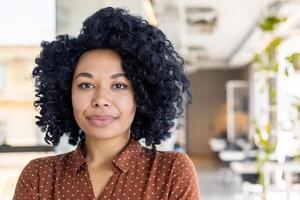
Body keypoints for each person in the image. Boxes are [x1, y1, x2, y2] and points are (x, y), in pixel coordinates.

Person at [13, 7, 200, 200]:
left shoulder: (172, 172)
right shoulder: (38, 176)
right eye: (86, 85)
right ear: (67, 94)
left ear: (142, 95)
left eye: (119, 85)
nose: (101, 99)